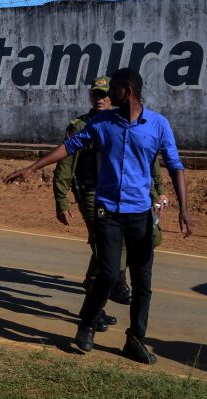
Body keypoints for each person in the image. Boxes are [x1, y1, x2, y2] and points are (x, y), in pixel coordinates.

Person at [6, 68, 191, 364]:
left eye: (113, 89)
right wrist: (32, 168)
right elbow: (69, 147)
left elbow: (174, 165)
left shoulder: (158, 125)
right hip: (108, 212)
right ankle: (87, 324)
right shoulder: (103, 122)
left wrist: (184, 208)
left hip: (140, 214)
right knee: (107, 273)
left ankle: (135, 339)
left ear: (126, 90)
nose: (106, 96)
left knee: (143, 282)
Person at [52, 77, 170, 328]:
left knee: (134, 244)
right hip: (95, 195)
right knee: (106, 250)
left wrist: (158, 190)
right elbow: (65, 164)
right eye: (96, 94)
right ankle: (101, 299)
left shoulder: (132, 123)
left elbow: (149, 160)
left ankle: (101, 295)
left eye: (105, 94)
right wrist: (61, 200)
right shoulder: (83, 125)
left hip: (129, 197)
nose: (101, 98)